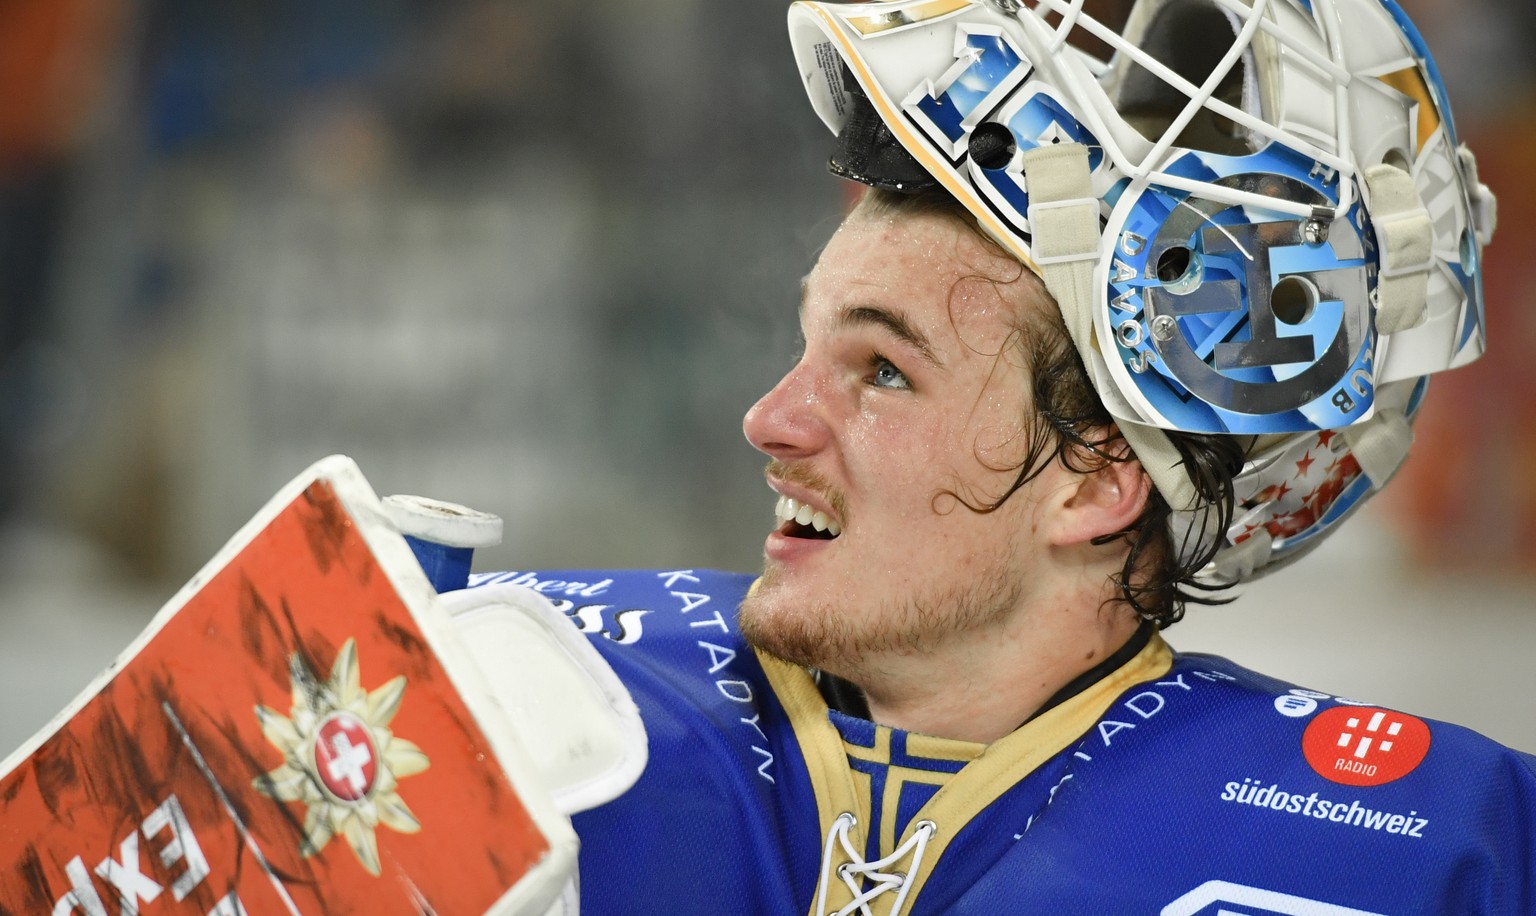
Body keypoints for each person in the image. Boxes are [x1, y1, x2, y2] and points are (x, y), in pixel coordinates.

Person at [467, 0, 1536, 911]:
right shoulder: (482, 679)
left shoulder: (1441, 852)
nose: (771, 420)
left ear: (1100, 477)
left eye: (884, 370)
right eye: (806, 347)